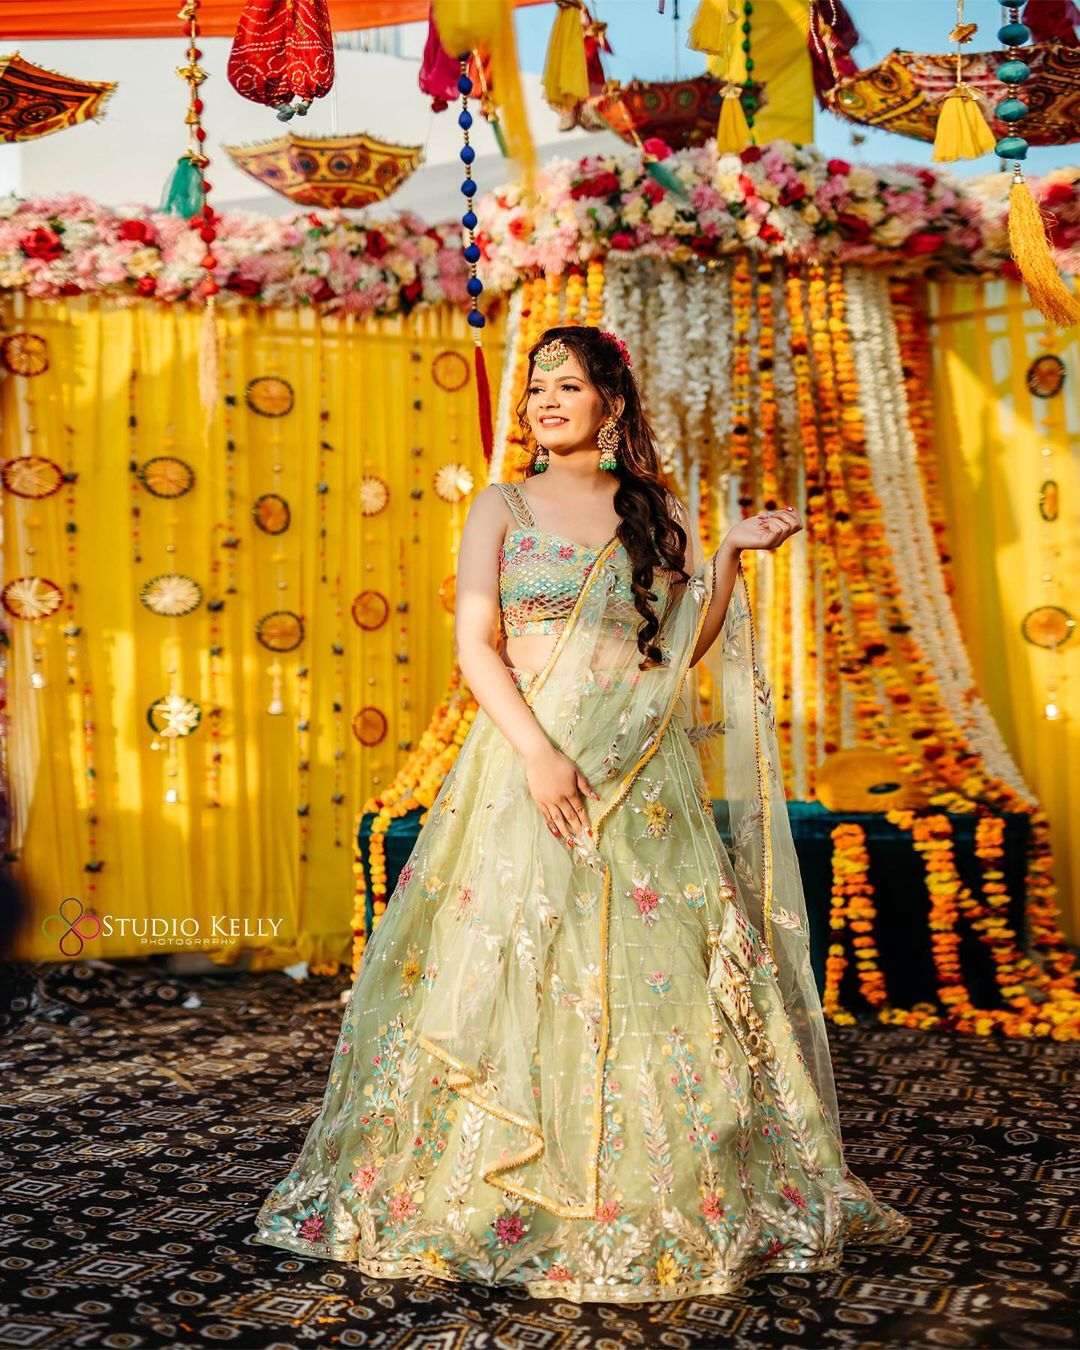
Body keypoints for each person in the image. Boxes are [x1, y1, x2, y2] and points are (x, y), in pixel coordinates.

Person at [253, 325, 910, 1301]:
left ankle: (655, 1192)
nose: (547, 401)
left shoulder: (655, 511)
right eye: (536, 388)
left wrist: (727, 554)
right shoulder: (501, 506)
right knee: (517, 960)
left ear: (612, 402)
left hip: (640, 775)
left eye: (568, 385)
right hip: (531, 765)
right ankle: (491, 1192)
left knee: (661, 979)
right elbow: (478, 644)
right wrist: (538, 754)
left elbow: (676, 652)